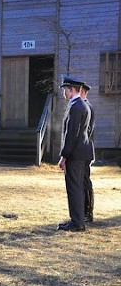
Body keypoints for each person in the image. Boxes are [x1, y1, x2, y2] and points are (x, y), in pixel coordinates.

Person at [56, 75, 92, 232]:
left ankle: (77, 222)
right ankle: (77, 219)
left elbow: (71, 135)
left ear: (71, 90)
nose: (64, 93)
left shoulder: (75, 106)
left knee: (74, 187)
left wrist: (64, 156)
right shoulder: (82, 105)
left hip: (75, 154)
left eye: (65, 89)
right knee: (77, 186)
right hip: (81, 152)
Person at [80, 82, 95, 223]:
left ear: (83, 92)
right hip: (85, 150)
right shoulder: (85, 106)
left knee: (85, 181)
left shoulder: (87, 107)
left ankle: (87, 212)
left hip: (84, 150)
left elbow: (87, 132)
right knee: (84, 181)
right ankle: (86, 211)